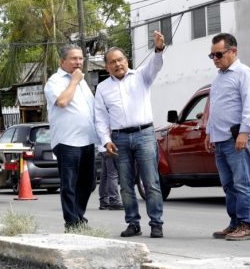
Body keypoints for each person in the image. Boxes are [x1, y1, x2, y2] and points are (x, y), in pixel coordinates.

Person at [94, 30, 166, 239]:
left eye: (120, 60)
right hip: (119, 139)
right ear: (107, 67)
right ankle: (133, 223)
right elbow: (100, 118)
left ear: (127, 60)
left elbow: (156, 65)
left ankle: (156, 223)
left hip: (144, 134)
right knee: (125, 185)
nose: (118, 64)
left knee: (150, 182)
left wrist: (159, 49)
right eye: (113, 62)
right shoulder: (102, 88)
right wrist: (106, 141)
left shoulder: (141, 76)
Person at [204, 33, 250, 241]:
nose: (215, 59)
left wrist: (244, 132)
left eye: (218, 54)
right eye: (212, 56)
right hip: (220, 139)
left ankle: (246, 224)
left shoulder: (244, 73)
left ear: (233, 51)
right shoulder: (219, 78)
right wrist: (209, 132)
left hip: (237, 139)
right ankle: (235, 222)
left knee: (242, 182)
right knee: (228, 184)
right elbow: (215, 107)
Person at [44, 44, 99, 233]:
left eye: (80, 58)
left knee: (89, 182)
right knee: (69, 184)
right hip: (68, 141)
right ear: (62, 61)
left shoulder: (82, 81)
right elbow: (62, 102)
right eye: (73, 58)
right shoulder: (55, 81)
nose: (78, 62)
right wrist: (74, 81)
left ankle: (78, 217)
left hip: (87, 140)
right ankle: (72, 222)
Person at [98, 146, 123, 210]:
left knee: (104, 176)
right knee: (112, 175)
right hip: (110, 148)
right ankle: (114, 201)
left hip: (103, 149)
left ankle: (104, 201)